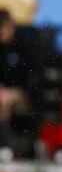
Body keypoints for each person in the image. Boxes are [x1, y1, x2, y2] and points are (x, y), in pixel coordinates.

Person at [0, 9, 30, 150]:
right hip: (5, 92)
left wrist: (8, 92)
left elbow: (30, 80)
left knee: (4, 100)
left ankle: (6, 145)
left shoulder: (24, 46)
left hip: (22, 94)